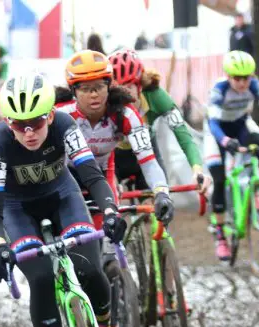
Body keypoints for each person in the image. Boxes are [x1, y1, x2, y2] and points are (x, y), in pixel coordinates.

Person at [0, 71, 127, 327]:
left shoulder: (64, 125)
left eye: (35, 122)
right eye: (19, 125)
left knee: (90, 270)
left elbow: (91, 176)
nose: (29, 132)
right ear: (8, 122)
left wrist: (109, 213)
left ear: (49, 115)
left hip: (63, 196)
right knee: (43, 279)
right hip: (18, 211)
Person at [56, 50, 172, 231]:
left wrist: (162, 193)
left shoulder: (126, 115)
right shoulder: (60, 114)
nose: (94, 95)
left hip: (102, 173)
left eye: (100, 87)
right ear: (74, 91)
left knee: (110, 237)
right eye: (85, 89)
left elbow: (148, 162)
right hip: (65, 175)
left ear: (109, 86)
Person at [203, 50, 259, 261]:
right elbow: (213, 123)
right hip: (217, 132)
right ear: (228, 76)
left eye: (247, 77)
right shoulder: (219, 90)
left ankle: (257, 188)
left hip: (242, 124)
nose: (243, 83)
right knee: (219, 179)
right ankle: (220, 236)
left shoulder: (256, 86)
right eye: (237, 78)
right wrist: (225, 142)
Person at [108, 48, 210, 192]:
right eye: (117, 90)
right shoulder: (105, 101)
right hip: (114, 157)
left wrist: (197, 169)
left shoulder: (156, 97)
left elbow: (183, 135)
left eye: (128, 87)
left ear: (139, 86)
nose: (122, 95)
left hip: (147, 153)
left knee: (161, 205)